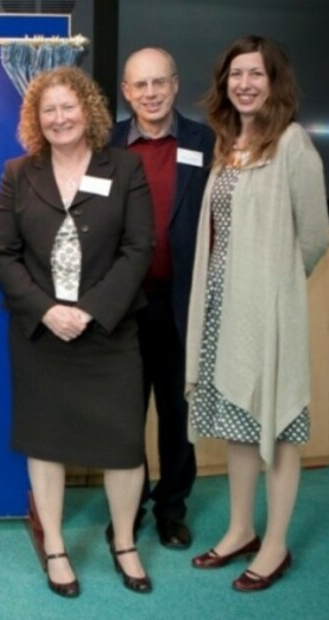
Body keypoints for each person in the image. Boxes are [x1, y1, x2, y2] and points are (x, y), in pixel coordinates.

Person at [0, 66, 155, 597]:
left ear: (89, 110)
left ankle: (125, 542)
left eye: (69, 107)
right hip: (42, 336)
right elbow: (3, 254)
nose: (60, 118)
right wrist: (45, 310)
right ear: (36, 120)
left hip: (109, 332)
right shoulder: (19, 173)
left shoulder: (125, 168)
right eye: (48, 110)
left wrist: (91, 309)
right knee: (47, 441)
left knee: (125, 444)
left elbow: (138, 249)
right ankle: (56, 545)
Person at [186, 35, 329, 592]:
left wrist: (277, 291)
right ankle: (241, 528)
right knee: (239, 425)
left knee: (280, 427)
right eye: (235, 74)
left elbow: (315, 236)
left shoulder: (292, 143)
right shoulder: (227, 144)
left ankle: (275, 546)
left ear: (275, 83)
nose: (244, 83)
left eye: (256, 74)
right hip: (222, 308)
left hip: (269, 313)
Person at [110, 47, 216, 549]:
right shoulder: (105, 145)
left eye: (159, 83)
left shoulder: (205, 142)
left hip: (182, 304)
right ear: (126, 92)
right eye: (139, 85)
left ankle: (172, 509)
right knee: (124, 414)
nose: (150, 93)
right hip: (123, 308)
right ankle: (126, 507)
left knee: (177, 413)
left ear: (175, 84)